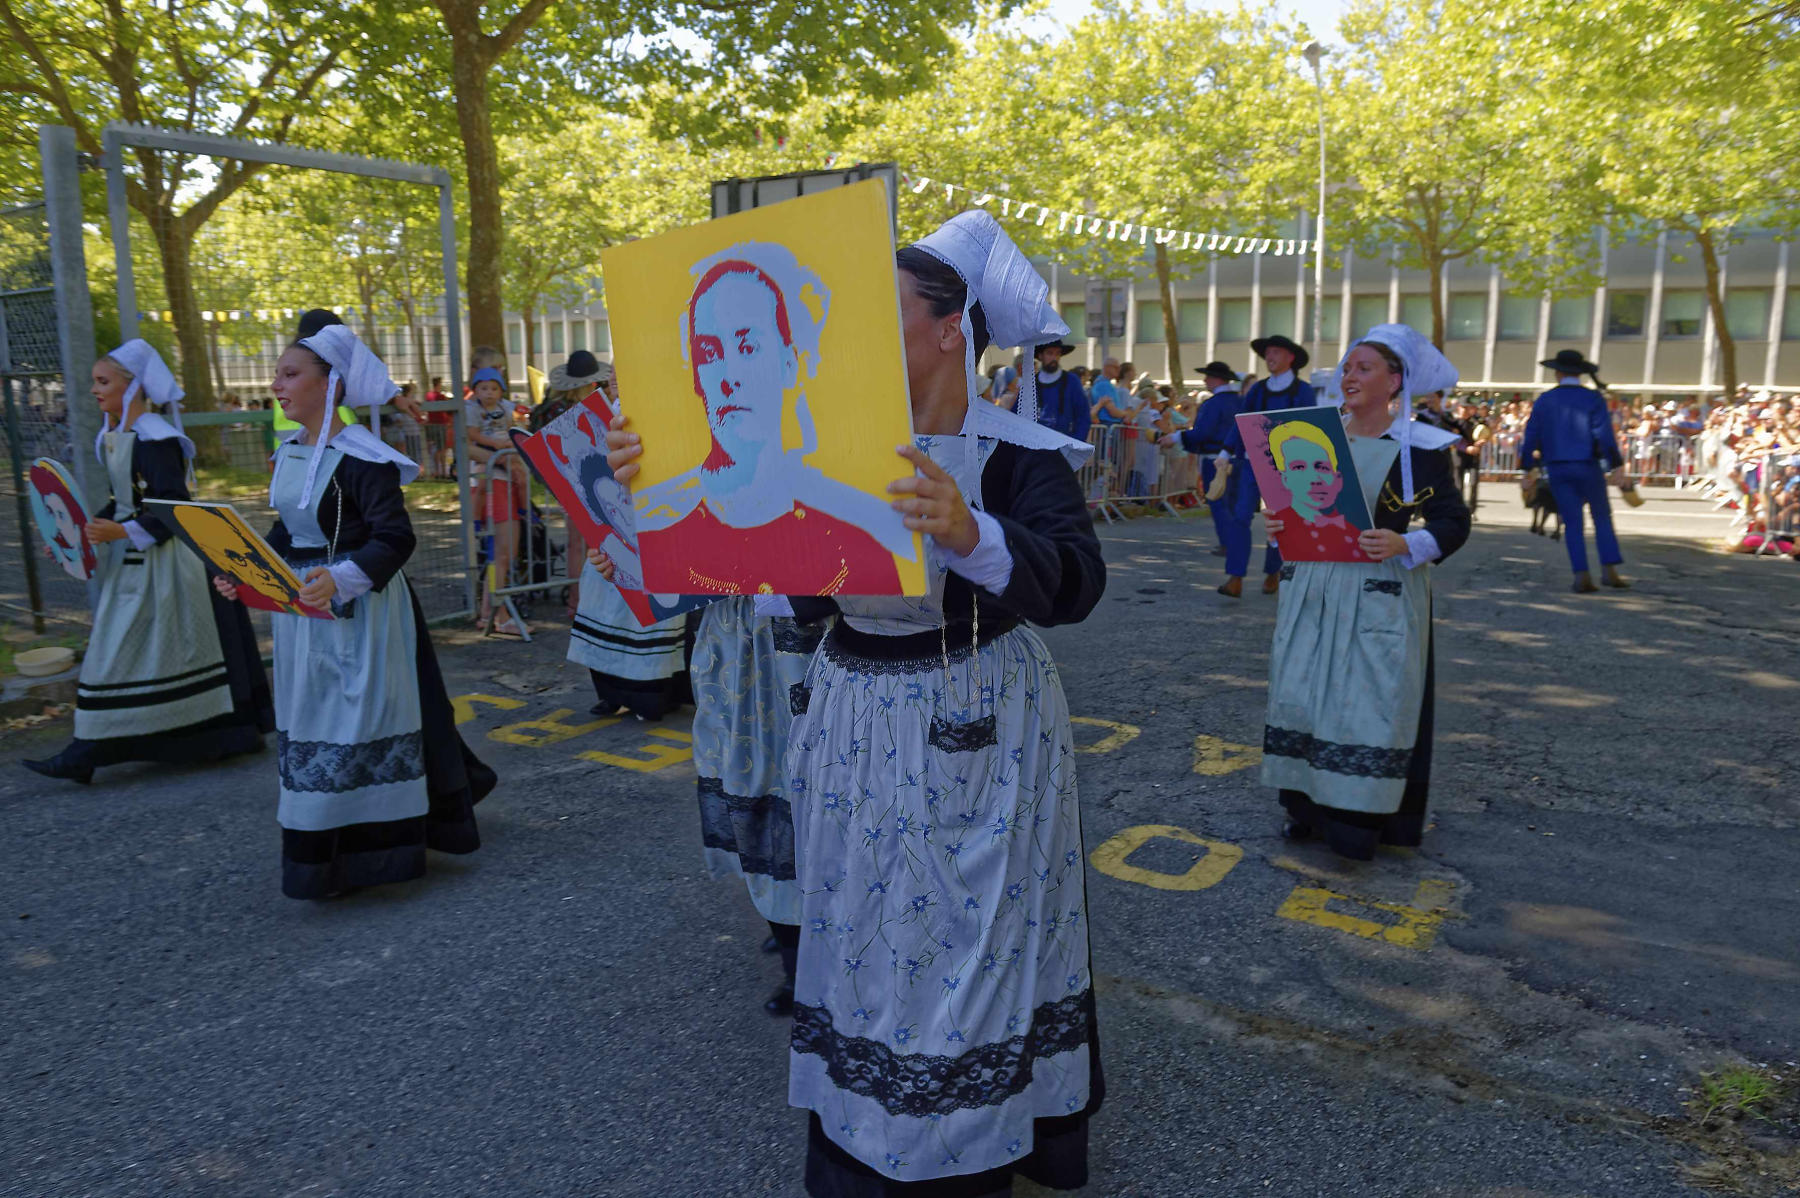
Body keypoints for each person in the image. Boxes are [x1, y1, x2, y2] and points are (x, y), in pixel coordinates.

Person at [608, 210, 1107, 1197]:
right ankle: (869, 1132)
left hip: (980, 706)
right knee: (864, 922)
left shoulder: (1016, 454)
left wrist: (971, 532)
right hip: (850, 706)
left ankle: (969, 1146)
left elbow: (1077, 584)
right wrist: (655, 482)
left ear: (945, 329)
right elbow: (771, 579)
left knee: (975, 935)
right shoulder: (831, 445)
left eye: (884, 312)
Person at [213, 323, 495, 899]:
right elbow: (284, 532)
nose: (276, 386)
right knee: (316, 720)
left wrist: (339, 579)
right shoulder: (288, 453)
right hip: (303, 611)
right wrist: (244, 571)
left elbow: (395, 538)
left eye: (290, 375)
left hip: (361, 615)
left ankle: (371, 857)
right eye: (278, 374)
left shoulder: (365, 459)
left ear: (332, 385)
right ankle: (321, 855)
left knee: (356, 721)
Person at [1262, 324, 1472, 861]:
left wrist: (1406, 539)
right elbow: (1302, 510)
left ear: (1395, 381)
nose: (1350, 376)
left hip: (1380, 591)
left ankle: (1357, 820)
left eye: (1365, 368)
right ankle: (1304, 808)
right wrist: (1279, 526)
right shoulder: (1318, 435)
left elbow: (1452, 520)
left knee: (1367, 703)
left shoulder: (1421, 447)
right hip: (1313, 587)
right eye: (1349, 367)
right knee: (1307, 693)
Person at [23, 341, 274, 785]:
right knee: (133, 648)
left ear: (133, 385)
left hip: (169, 563)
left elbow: (173, 505)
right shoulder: (119, 436)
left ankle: (92, 750)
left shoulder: (157, 439)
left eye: (103, 382)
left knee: (123, 648)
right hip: (137, 558)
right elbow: (126, 501)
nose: (94, 391)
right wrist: (78, 534)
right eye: (94, 382)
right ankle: (105, 747)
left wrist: (119, 532)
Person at [629, 246, 914, 596]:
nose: (729, 375)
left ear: (789, 365)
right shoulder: (656, 533)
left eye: (747, 348)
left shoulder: (852, 547)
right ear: (695, 378)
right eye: (709, 353)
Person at [1214, 334, 1317, 597]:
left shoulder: (1303, 391)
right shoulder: (1258, 389)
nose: (1269, 358)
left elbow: (1309, 428)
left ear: (1290, 357)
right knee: (1240, 517)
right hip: (1251, 463)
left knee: (1280, 520)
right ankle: (1235, 576)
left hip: (1285, 469)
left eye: (1276, 352)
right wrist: (1226, 452)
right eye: (1267, 353)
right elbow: (1242, 422)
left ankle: (1273, 570)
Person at [1519, 349, 1629, 593]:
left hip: (1557, 467)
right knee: (1602, 517)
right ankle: (1609, 570)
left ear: (1557, 372)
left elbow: (1531, 436)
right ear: (1580, 373)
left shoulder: (1545, 400)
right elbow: (1604, 436)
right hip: (1588, 465)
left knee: (1572, 522)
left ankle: (1581, 574)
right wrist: (1616, 465)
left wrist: (1527, 469)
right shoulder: (1593, 399)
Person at [467, 365, 530, 634]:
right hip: (492, 482)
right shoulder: (471, 412)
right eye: (484, 387)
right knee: (500, 554)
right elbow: (472, 440)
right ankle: (499, 615)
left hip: (502, 481)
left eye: (494, 388)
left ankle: (489, 612)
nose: (489, 393)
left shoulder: (505, 409)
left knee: (503, 555)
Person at [1168, 361, 1243, 557]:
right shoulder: (1240, 400)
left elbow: (1202, 433)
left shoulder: (1213, 404)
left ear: (1217, 379)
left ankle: (1228, 543)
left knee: (1218, 502)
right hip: (1239, 459)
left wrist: (1176, 437)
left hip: (1215, 458)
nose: (1205, 380)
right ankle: (1238, 541)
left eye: (1208, 377)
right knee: (1234, 503)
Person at [1033, 338, 1091, 441]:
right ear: (1040, 356)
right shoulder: (1031, 382)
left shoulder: (1071, 381)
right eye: (1050, 353)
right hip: (1036, 442)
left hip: (1063, 442)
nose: (1054, 358)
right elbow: (1017, 413)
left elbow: (1083, 415)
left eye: (1057, 354)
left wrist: (1076, 442)